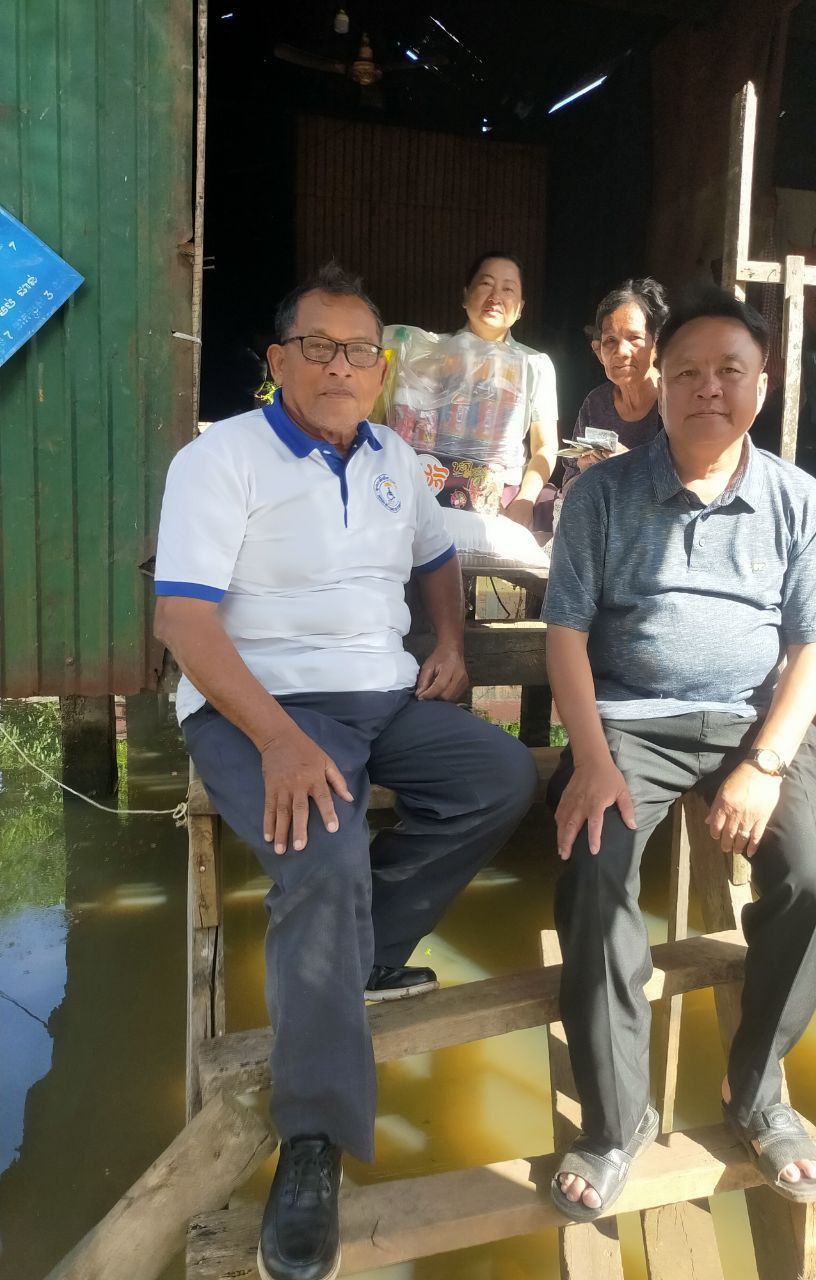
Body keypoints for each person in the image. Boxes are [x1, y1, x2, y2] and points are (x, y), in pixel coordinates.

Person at [153, 261, 538, 1280]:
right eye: (318, 347)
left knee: (500, 777)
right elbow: (182, 617)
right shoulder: (219, 459)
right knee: (323, 853)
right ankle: (314, 1137)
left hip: (383, 695)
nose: (340, 367)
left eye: (360, 351)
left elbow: (437, 555)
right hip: (257, 703)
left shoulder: (394, 459)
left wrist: (448, 640)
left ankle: (365, 955)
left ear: (380, 370)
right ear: (278, 361)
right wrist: (280, 739)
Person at [541, 285, 816, 1222]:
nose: (706, 388)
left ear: (762, 383)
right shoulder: (601, 495)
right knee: (594, 867)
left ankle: (754, 1092)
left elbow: (815, 650)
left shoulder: (798, 501)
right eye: (686, 372)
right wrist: (590, 758)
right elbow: (565, 637)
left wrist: (765, 764)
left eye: (729, 370)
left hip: (753, 727)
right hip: (630, 723)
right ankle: (616, 1121)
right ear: (658, 380)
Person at [459, 250, 559, 529]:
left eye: (508, 289)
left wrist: (525, 500)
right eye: (486, 284)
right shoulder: (431, 355)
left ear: (520, 307)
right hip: (435, 484)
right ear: (465, 295)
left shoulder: (535, 365)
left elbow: (545, 446)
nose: (496, 296)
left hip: (504, 499)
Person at [562, 277, 667, 486]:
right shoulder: (596, 404)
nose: (621, 351)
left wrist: (630, 464)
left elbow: (693, 481)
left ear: (656, 345)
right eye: (610, 341)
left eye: (634, 338)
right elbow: (569, 480)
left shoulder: (677, 402)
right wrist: (585, 472)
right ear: (598, 352)